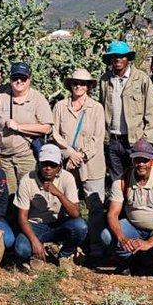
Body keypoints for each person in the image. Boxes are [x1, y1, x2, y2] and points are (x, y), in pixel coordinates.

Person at [51, 67, 106, 256]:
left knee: (95, 207)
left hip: (92, 164)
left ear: (89, 86)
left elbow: (98, 137)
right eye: (75, 83)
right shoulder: (60, 106)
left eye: (83, 83)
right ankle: (69, 242)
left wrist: (79, 155)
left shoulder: (96, 108)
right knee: (66, 203)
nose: (78, 86)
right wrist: (68, 153)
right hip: (67, 164)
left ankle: (96, 245)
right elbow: (54, 133)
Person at [100, 139, 153, 269]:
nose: (141, 164)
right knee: (107, 236)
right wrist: (122, 238)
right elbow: (112, 214)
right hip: (133, 227)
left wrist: (149, 243)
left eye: (145, 160)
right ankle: (130, 261)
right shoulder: (121, 181)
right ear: (132, 160)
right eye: (137, 160)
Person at [13, 145, 88, 267]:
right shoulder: (27, 180)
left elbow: (75, 213)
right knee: (22, 249)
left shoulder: (67, 178)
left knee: (81, 226)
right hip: (35, 225)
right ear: (38, 164)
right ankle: (39, 250)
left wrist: (58, 193)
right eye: (44, 164)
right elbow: (22, 216)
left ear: (59, 166)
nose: (48, 168)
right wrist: (34, 240)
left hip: (59, 223)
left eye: (53, 165)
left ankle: (65, 254)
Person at [0, 61, 53, 195]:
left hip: (26, 156)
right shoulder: (2, 98)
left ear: (29, 80)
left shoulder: (38, 99)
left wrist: (19, 127)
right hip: (4, 158)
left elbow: (47, 128)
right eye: (15, 78)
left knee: (29, 194)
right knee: (8, 195)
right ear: (10, 79)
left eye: (23, 78)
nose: (19, 81)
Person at [99, 40, 153, 183]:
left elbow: (151, 111)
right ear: (110, 59)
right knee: (117, 179)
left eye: (121, 56)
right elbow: (102, 107)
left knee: (136, 178)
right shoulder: (105, 80)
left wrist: (146, 140)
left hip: (135, 140)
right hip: (112, 140)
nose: (118, 59)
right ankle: (119, 205)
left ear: (128, 58)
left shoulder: (141, 79)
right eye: (114, 56)